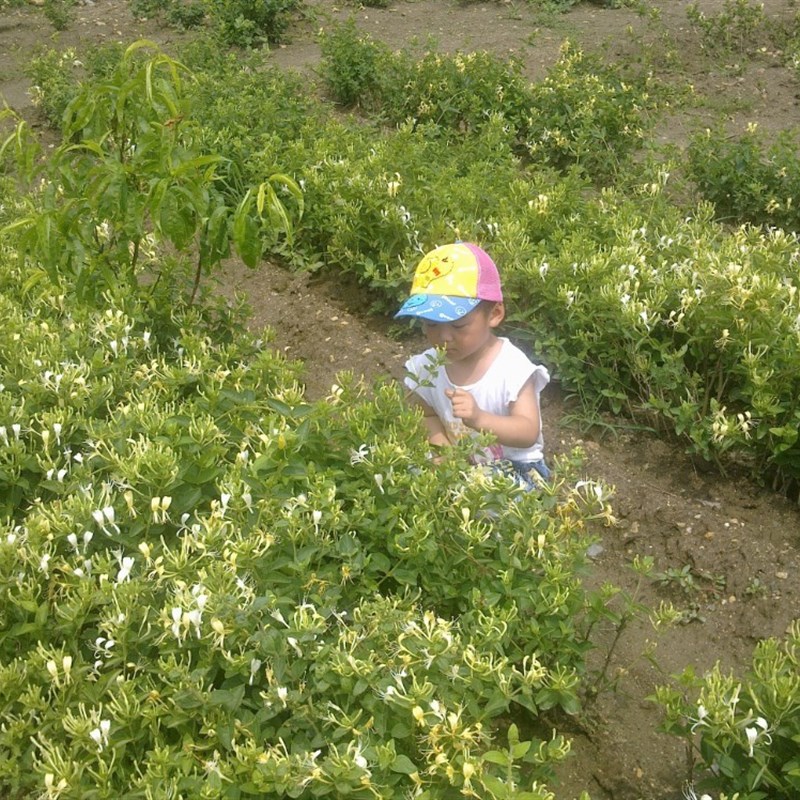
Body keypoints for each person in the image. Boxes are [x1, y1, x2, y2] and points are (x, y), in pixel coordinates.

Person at [396, 241, 551, 487]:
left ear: (494, 314)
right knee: (405, 470)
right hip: (461, 462)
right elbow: (426, 414)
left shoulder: (511, 367)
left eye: (458, 325)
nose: (444, 337)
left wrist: (480, 419)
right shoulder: (426, 367)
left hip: (514, 467)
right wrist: (445, 454)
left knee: (494, 494)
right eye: (431, 324)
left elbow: (528, 431)